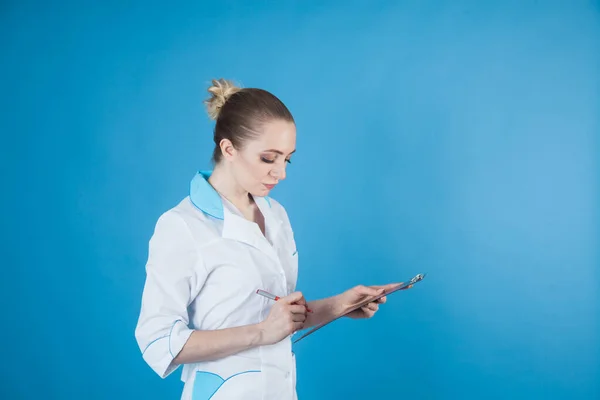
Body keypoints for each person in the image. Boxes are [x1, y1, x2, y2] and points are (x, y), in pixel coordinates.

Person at [134, 78, 397, 400]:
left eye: (287, 159)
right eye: (268, 158)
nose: (281, 173)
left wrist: (338, 305)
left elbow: (274, 317)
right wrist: (261, 332)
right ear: (228, 149)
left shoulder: (276, 215)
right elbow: (158, 341)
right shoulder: (182, 226)